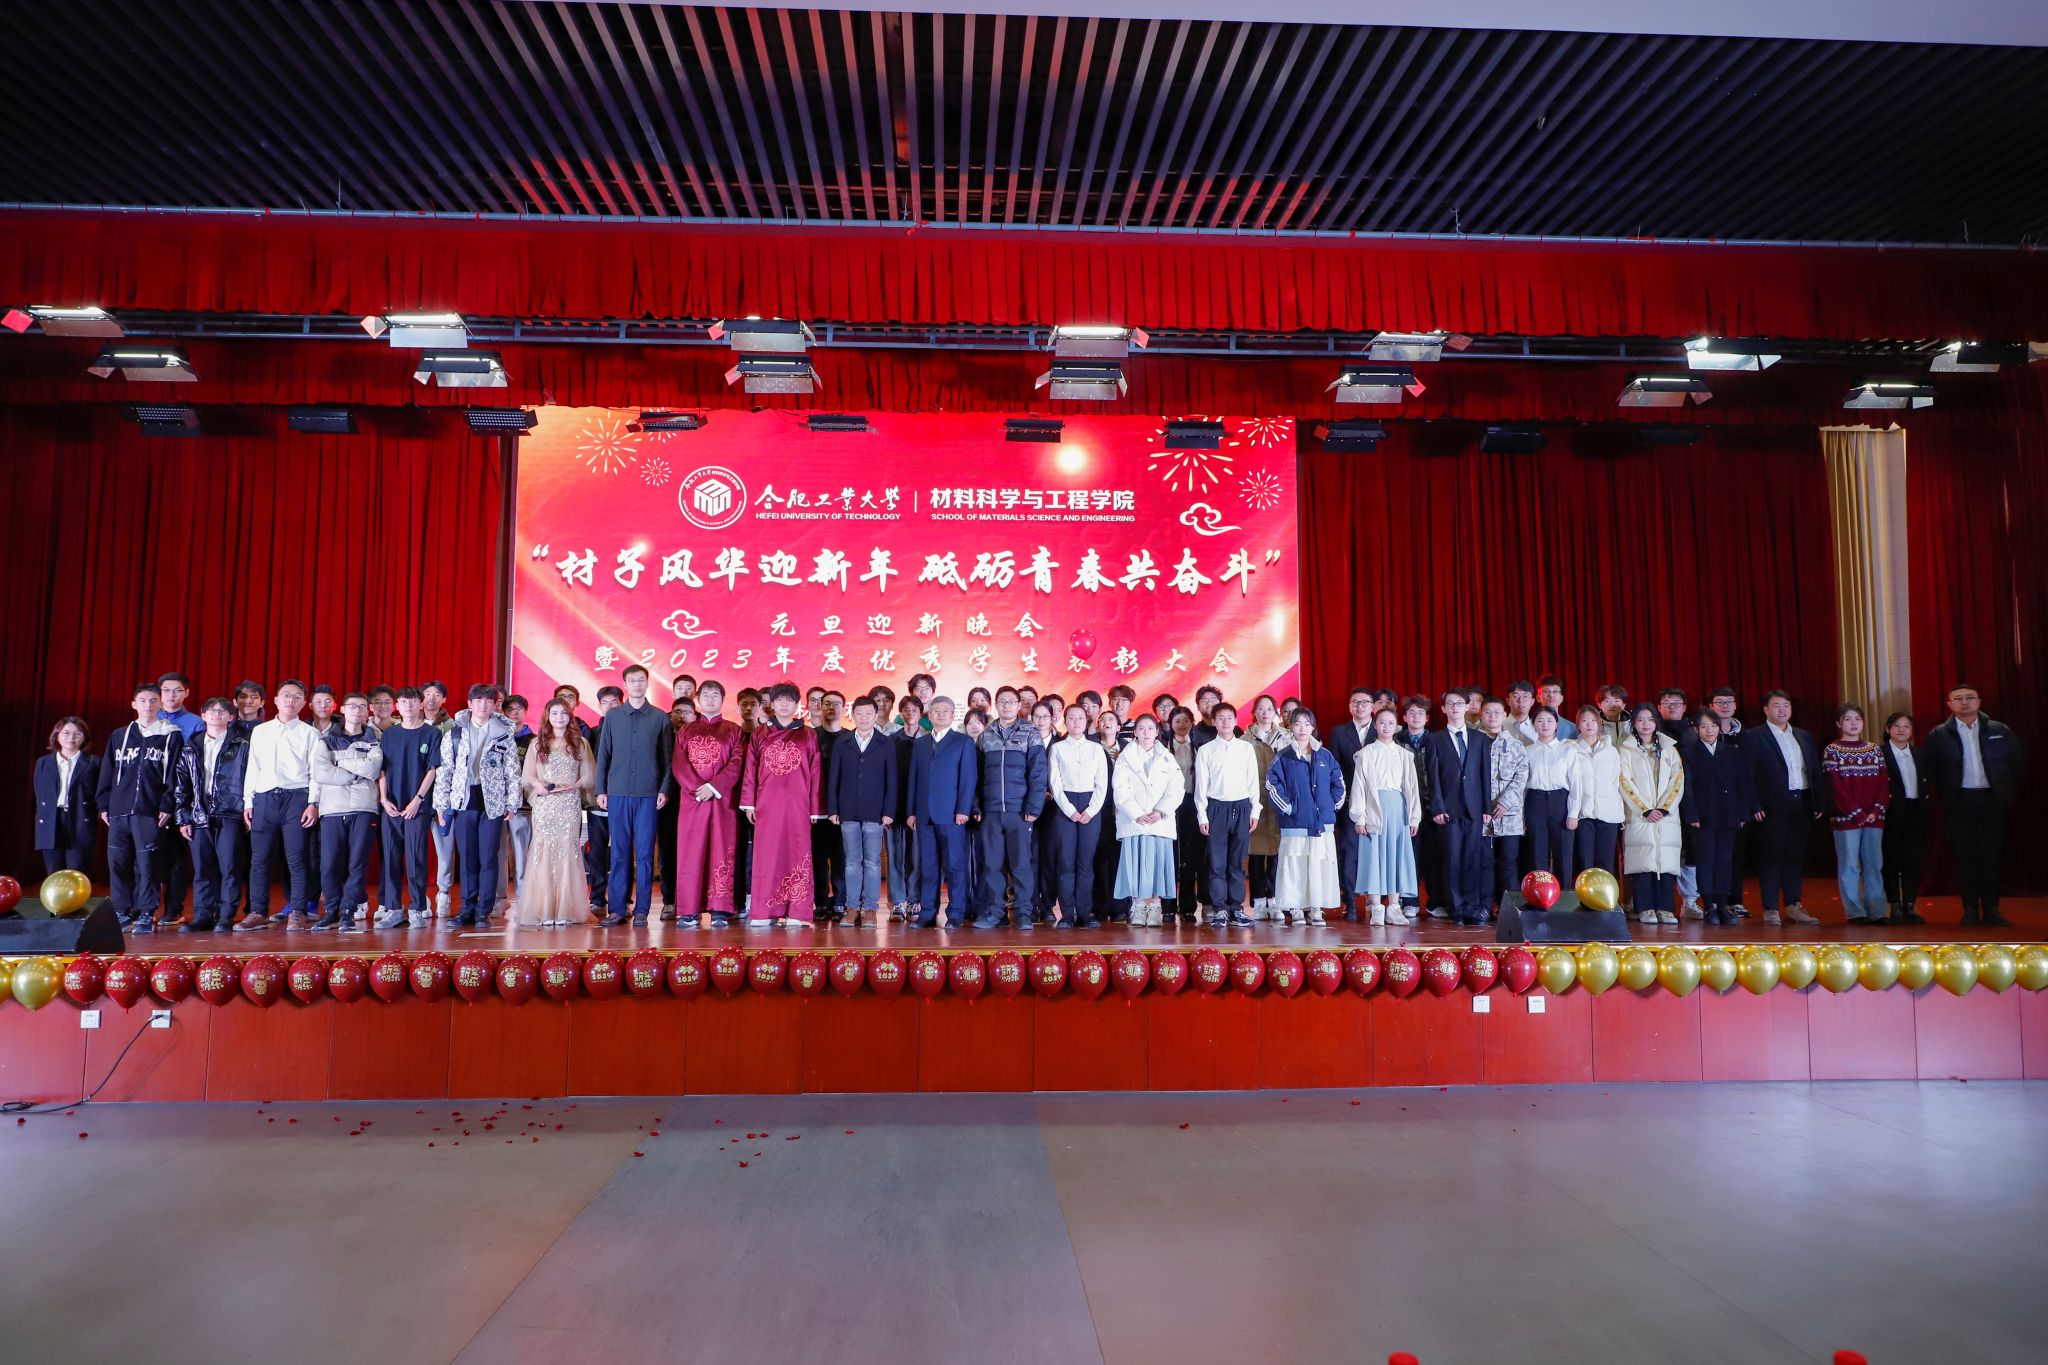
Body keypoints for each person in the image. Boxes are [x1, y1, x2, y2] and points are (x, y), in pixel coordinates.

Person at [1920, 683, 2023, 927]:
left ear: (1979, 702)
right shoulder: (1938, 735)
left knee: (1991, 857)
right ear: (1949, 705)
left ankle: (1991, 909)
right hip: (1959, 803)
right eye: (1958, 698)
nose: (1964, 702)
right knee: (1964, 858)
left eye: (1969, 697)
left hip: (1991, 801)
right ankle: (1969, 909)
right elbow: (1929, 770)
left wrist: (2003, 793)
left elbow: (2016, 763)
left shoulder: (1999, 730)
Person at [92, 684, 183, 933]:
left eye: (153, 700)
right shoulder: (120, 735)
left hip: (149, 809)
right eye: (143, 700)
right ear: (134, 704)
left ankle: (146, 912)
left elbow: (175, 773)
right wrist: (103, 804)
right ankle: (122, 911)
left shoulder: (170, 735)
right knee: (118, 861)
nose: (148, 705)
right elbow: (108, 771)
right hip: (119, 809)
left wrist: (167, 803)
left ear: (160, 704)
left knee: (148, 863)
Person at [432, 685, 520, 929]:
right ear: (469, 704)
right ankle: (467, 909)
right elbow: (445, 770)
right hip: (463, 800)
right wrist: (441, 804)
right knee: (467, 858)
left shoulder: (504, 733)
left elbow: (512, 771)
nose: (483, 705)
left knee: (489, 858)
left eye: (488, 701)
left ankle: (484, 911)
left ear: (495, 705)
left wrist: (512, 802)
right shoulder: (455, 733)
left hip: (493, 802)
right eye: (478, 700)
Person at [593, 664, 674, 926]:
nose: (637, 685)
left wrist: (664, 789)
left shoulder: (660, 718)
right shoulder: (613, 717)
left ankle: (641, 911)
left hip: (648, 795)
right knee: (618, 852)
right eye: (632, 681)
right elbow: (604, 755)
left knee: (645, 854)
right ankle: (617, 909)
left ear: (647, 683)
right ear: (625, 685)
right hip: (617, 794)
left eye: (641, 680)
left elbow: (667, 760)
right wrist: (600, 789)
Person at [236, 680, 321, 931]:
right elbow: (253, 767)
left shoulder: (310, 734)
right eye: (286, 696)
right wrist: (248, 800)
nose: (290, 701)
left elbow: (316, 772)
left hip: (297, 798)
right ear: (275, 700)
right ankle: (258, 912)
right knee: (259, 859)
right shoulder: (261, 732)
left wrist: (313, 803)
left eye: (297, 697)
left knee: (296, 858)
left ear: (304, 703)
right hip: (264, 798)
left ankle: (297, 911)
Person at [740, 681, 824, 926]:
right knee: (767, 855)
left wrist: (815, 808)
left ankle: (797, 911)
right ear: (772, 705)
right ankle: (764, 911)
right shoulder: (760, 734)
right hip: (767, 803)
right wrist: (749, 803)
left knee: (797, 853)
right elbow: (750, 770)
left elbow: (816, 772)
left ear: (797, 705)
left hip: (798, 804)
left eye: (789, 700)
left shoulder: (808, 734)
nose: (784, 704)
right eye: (779, 700)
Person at [1742, 689, 1823, 927]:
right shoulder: (1754, 736)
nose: (1782, 710)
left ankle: (1794, 905)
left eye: (1786, 705)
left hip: (1802, 802)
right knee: (1772, 856)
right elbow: (1746, 774)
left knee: (1794, 857)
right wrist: (1753, 804)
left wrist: (1818, 801)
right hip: (1771, 806)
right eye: (1776, 705)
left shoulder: (1803, 736)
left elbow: (1814, 770)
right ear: (1766, 709)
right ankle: (1770, 908)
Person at [671, 680, 745, 929]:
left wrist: (713, 787)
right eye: (706, 695)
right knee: (691, 852)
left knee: (722, 850)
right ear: (698, 699)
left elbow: (737, 763)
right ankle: (689, 911)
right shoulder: (686, 730)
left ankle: (719, 909)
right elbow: (679, 764)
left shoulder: (734, 730)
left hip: (723, 802)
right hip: (693, 801)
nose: (710, 699)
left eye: (715, 695)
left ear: (722, 699)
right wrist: (697, 788)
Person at [1264, 707, 1346, 927]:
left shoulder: (1325, 755)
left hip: (1321, 824)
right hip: (1295, 823)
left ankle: (1316, 908)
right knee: (1295, 866)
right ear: (1291, 727)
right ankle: (1296, 908)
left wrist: (1330, 807)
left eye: (1307, 724)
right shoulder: (1284, 756)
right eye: (1297, 723)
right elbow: (1272, 784)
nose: (1302, 728)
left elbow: (1339, 783)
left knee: (1319, 866)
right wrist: (1289, 808)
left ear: (1313, 727)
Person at [517, 698, 595, 927]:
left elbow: (589, 775)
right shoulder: (537, 743)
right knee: (543, 851)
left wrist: (576, 785)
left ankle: (566, 910)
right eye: (554, 713)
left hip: (569, 803)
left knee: (568, 851)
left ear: (570, 716)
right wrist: (538, 786)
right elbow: (528, 775)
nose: (559, 717)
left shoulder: (580, 742)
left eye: (563, 713)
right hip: (545, 804)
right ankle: (544, 909)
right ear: (547, 717)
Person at [975, 687, 1048, 929]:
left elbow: (1038, 774)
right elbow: (976, 776)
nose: (1006, 706)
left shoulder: (1031, 733)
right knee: (992, 864)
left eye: (1011, 702)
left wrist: (1034, 807)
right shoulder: (986, 735)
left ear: (1018, 705)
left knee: (1021, 865)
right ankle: (996, 912)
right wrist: (976, 806)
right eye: (1002, 702)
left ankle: (1024, 913)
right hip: (991, 811)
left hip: (1019, 812)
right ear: (996, 705)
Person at [172, 697, 246, 933]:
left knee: (229, 866)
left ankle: (225, 916)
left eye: (222, 711)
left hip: (230, 811)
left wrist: (247, 808)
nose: (216, 714)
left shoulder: (242, 744)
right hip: (199, 813)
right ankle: (203, 915)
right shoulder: (191, 746)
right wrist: (183, 816)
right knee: (202, 868)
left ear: (231, 717)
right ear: (202, 715)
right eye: (211, 710)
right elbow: (181, 784)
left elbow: (249, 778)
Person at [310, 693, 382, 932]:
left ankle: (348, 911)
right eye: (353, 706)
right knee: (329, 863)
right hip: (332, 808)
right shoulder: (326, 740)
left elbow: (373, 768)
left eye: (362, 707)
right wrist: (354, 775)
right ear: (342, 709)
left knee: (357, 863)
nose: (357, 711)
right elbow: (321, 773)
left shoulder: (374, 738)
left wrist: (339, 763)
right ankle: (331, 910)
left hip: (364, 806)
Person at [825, 696, 897, 929]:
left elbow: (892, 779)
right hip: (848, 810)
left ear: (876, 715)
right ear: (852, 715)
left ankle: (870, 909)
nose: (864, 718)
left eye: (868, 714)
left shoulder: (885, 743)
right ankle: (852, 907)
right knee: (851, 862)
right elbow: (834, 777)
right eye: (859, 713)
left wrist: (889, 810)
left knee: (873, 862)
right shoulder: (843, 742)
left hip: (876, 812)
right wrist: (833, 808)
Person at [907, 697, 977, 928]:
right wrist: (911, 812)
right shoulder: (920, 743)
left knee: (955, 866)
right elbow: (913, 779)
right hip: (924, 814)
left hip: (952, 815)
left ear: (953, 715)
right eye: (936, 711)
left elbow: (968, 779)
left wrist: (963, 810)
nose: (940, 714)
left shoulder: (963, 742)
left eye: (946, 711)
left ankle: (956, 913)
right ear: (929, 715)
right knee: (928, 867)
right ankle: (928, 913)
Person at [1349, 707, 1421, 927]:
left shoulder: (1404, 755)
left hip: (1398, 809)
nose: (1386, 727)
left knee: (1396, 857)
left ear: (1396, 726)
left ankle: (1394, 906)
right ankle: (1376, 906)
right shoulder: (1366, 754)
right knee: (1374, 857)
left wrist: (1414, 817)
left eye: (1390, 723)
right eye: (1382, 722)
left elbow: (1412, 788)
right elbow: (1359, 786)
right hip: (1374, 809)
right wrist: (1359, 817)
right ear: (1375, 725)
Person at [375, 687, 440, 929]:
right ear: (397, 706)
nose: (408, 706)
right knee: (390, 858)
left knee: (416, 858)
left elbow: (432, 769)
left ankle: (417, 908)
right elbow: (381, 770)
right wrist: (384, 800)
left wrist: (418, 799)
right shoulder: (389, 735)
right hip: (391, 807)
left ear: (420, 704)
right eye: (403, 702)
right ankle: (393, 908)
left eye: (412, 702)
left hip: (417, 807)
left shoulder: (431, 733)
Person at [1426, 690, 1492, 926]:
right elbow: (1432, 777)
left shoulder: (1480, 739)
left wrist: (1486, 808)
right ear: (1443, 709)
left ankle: (1472, 908)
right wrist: (1437, 808)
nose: (1455, 708)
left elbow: (1485, 775)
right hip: (1448, 810)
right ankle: (1455, 909)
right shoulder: (1435, 739)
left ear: (1467, 707)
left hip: (1474, 809)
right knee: (1452, 860)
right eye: (1450, 704)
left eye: (1459, 703)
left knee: (1472, 860)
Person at [1193, 701, 1261, 929]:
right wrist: (1202, 815)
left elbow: (1253, 781)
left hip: (1242, 807)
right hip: (1216, 808)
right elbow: (1201, 786)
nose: (1225, 722)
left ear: (1236, 721)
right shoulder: (1206, 750)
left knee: (1237, 863)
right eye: (1220, 718)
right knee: (1217, 863)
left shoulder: (1245, 748)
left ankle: (1237, 908)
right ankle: (1220, 908)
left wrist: (1255, 810)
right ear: (1213, 722)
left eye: (1229, 718)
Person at [1682, 711, 1752, 925]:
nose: (1709, 730)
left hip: (1728, 812)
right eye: (1704, 726)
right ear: (1696, 730)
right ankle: (1709, 905)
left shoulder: (1731, 751)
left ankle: (1723, 904)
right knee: (1706, 860)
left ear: (1719, 728)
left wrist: (1743, 812)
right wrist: (1691, 813)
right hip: (1703, 815)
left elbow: (1742, 784)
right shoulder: (1688, 753)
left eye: (1713, 725)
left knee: (1725, 860)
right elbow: (1687, 786)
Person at [1112, 714, 1182, 927]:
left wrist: (1160, 812)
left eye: (1150, 728)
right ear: (1135, 732)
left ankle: (1155, 907)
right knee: (1136, 865)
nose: (1146, 732)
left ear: (1157, 732)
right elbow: (1120, 788)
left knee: (1158, 866)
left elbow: (1176, 788)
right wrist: (1136, 813)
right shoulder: (1125, 757)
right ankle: (1139, 906)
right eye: (1141, 728)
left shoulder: (1167, 757)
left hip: (1159, 822)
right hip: (1135, 822)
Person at [1823, 704, 1890, 925]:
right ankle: (1855, 911)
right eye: (1848, 719)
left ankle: (1878, 911)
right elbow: (1835, 788)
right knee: (1850, 865)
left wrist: (1877, 810)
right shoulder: (1832, 750)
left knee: (1874, 864)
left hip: (1874, 818)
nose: (1853, 723)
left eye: (1857, 719)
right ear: (1839, 723)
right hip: (1846, 819)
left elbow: (1883, 783)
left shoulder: (1874, 750)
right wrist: (1856, 813)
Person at [1619, 703, 1685, 926]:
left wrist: (1664, 807)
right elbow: (1624, 781)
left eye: (1650, 719)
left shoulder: (1669, 748)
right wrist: (1644, 809)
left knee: (1666, 863)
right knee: (1642, 862)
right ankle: (1644, 908)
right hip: (1640, 815)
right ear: (1634, 723)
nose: (1645, 724)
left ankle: (1666, 909)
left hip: (1666, 816)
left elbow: (1677, 780)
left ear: (1656, 721)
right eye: (1640, 720)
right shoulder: (1626, 749)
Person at [1046, 703, 1109, 928]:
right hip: (1065, 807)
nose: (1076, 722)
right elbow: (1055, 784)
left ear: (1087, 721)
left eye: (1080, 718)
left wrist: (1091, 810)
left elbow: (1102, 782)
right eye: (1071, 718)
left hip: (1091, 806)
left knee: (1085, 863)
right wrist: (1070, 810)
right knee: (1065, 862)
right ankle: (1066, 915)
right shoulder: (1057, 748)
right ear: (1065, 721)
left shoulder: (1096, 749)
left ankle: (1084, 914)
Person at [155, 671, 202, 924]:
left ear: (186, 693)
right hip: (152, 795)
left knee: (177, 856)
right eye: (166, 690)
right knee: (148, 855)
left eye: (177, 691)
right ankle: (145, 908)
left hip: (182, 794)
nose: (171, 695)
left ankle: (174, 909)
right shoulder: (148, 719)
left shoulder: (196, 723)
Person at [1326, 687, 1375, 920]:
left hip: (1377, 801)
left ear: (1373, 706)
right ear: (1349, 706)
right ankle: (1350, 901)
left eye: (1365, 702)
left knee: (1376, 851)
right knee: (1348, 850)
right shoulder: (1339, 732)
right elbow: (1334, 768)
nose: (1360, 706)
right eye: (1355, 702)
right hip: (1349, 800)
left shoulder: (1383, 729)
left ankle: (1376, 900)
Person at [1478, 697, 1528, 916]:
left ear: (1504, 715)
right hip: (1481, 815)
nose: (1492, 717)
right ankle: (1484, 906)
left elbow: (1521, 776)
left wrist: (1505, 802)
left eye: (1497, 712)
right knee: (1484, 863)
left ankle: (1509, 908)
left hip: (1509, 816)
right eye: (1487, 712)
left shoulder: (1515, 744)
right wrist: (1481, 806)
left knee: (1508, 862)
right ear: (1481, 714)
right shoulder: (1473, 742)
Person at [1522, 705, 1582, 886]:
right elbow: (1522, 785)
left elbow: (1576, 783)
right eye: (1540, 721)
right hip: (1535, 802)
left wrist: (1573, 813)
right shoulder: (1527, 751)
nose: (1545, 725)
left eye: (1549, 720)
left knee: (1563, 852)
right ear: (1533, 724)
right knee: (1537, 852)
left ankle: (1564, 895)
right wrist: (1521, 815)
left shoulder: (1568, 750)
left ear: (1556, 724)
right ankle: (1540, 894)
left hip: (1560, 802)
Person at [33, 717, 99, 876]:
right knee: (54, 872)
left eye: (77, 733)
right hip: (51, 819)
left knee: (76, 872)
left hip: (79, 818)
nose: (71, 737)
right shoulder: (43, 763)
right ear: (57, 736)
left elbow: (99, 792)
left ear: (84, 738)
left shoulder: (94, 762)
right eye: (66, 733)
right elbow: (39, 791)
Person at [1880, 712, 1929, 926]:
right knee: (1891, 859)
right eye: (1897, 725)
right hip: (1891, 812)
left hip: (1915, 810)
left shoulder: (1919, 754)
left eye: (1906, 726)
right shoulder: (1880, 753)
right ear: (1888, 729)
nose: (1901, 730)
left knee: (1913, 860)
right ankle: (1895, 905)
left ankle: (1910, 904)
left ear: (1912, 731)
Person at [1393, 696, 1438, 918]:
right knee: (1409, 854)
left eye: (1421, 713)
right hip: (1406, 804)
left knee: (1433, 854)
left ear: (1427, 718)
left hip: (1432, 804)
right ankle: (1409, 900)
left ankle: (1435, 901)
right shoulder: (1396, 740)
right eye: (1412, 713)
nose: (1416, 717)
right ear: (1404, 717)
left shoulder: (1436, 740)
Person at [1569, 704, 1624, 877]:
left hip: (1608, 814)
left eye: (1593, 720)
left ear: (1599, 724)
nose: (1589, 724)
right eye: (1584, 720)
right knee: (1584, 863)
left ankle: (1605, 895)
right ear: (1578, 725)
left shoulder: (1611, 751)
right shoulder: (1571, 750)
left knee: (1605, 863)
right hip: (1583, 814)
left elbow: (1616, 781)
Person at [419, 680, 458, 916]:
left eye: (436, 695)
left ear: (444, 699)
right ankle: (420, 897)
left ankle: (443, 893)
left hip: (444, 797)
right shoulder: (410, 723)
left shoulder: (453, 727)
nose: (431, 698)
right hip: (417, 797)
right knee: (416, 848)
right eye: (427, 694)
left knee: (445, 849)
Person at [583, 686, 622, 918]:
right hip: (597, 801)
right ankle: (597, 898)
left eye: (614, 701)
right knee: (597, 851)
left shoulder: (629, 730)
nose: (609, 706)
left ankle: (623, 899)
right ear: (599, 706)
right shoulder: (592, 733)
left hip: (622, 800)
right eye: (605, 702)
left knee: (621, 851)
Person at [886, 696, 923, 921]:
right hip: (895, 807)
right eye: (906, 710)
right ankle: (897, 902)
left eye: (914, 710)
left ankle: (914, 900)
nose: (910, 714)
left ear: (921, 713)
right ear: (901, 714)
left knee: (916, 857)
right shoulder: (891, 740)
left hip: (919, 808)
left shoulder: (928, 740)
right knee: (894, 857)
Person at [1166, 705, 1204, 924]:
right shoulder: (1162, 748)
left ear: (1192, 723)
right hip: (1169, 806)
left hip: (1193, 804)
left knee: (1191, 857)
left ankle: (1188, 907)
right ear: (1170, 724)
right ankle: (1168, 907)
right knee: (1170, 856)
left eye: (1186, 721)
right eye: (1177, 721)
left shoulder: (1200, 747)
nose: (1182, 725)